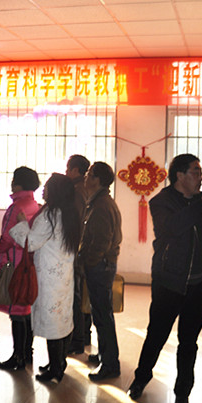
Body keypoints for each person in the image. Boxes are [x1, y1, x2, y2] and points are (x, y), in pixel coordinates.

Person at [127, 154, 202, 403]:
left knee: (188, 343)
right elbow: (173, 228)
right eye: (195, 172)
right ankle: (141, 379)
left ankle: (182, 395)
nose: (200, 177)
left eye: (200, 172)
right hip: (169, 281)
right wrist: (201, 203)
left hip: (198, 285)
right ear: (180, 175)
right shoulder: (161, 202)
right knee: (156, 335)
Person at [9, 173, 81, 384]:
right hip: (63, 275)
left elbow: (30, 242)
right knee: (62, 320)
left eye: (47, 186)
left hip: (49, 277)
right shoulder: (69, 213)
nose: (43, 190)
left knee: (53, 323)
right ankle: (59, 363)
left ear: (56, 191)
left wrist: (22, 223)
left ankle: (55, 370)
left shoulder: (50, 214)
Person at [0, 166, 41, 371]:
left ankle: (18, 356)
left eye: (14, 179)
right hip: (29, 263)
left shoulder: (16, 207)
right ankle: (27, 354)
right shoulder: (34, 204)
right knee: (26, 310)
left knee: (17, 312)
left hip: (14, 264)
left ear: (18, 183)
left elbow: (8, 237)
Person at [80, 162, 123, 381]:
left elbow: (101, 241)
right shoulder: (100, 201)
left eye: (89, 174)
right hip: (102, 264)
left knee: (102, 315)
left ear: (97, 180)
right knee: (101, 313)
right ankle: (106, 355)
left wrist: (89, 262)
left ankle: (110, 364)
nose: (86, 177)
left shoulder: (101, 205)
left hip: (100, 266)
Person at [65, 154, 92, 355]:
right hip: (83, 248)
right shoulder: (86, 189)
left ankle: (78, 339)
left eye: (68, 169)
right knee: (83, 293)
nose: (66, 172)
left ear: (75, 170)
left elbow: (74, 222)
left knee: (76, 295)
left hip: (76, 248)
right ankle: (85, 335)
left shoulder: (76, 191)